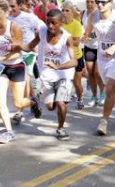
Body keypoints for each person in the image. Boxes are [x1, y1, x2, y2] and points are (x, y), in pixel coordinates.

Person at [82, 0, 115, 135]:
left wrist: (114, 47)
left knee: (108, 89)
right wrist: (85, 38)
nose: (99, 5)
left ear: (111, 2)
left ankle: (103, 122)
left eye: (103, 2)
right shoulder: (93, 16)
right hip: (102, 55)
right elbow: (88, 33)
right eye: (98, 2)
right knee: (107, 86)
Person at [26, 8, 78, 140]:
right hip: (47, 76)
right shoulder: (42, 32)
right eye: (48, 22)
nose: (50, 26)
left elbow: (74, 61)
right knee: (50, 107)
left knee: (61, 103)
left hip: (63, 75)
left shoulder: (67, 38)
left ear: (61, 23)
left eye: (53, 23)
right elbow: (29, 46)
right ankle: (36, 103)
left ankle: (61, 129)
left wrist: (58, 66)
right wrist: (15, 45)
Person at [0, 0, 24, 144]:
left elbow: (17, 53)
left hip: (16, 66)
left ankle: (33, 101)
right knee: (0, 100)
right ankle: (9, 131)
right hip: (1, 69)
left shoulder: (14, 28)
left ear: (6, 13)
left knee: (18, 102)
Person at [6, 0, 44, 123]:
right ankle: (33, 101)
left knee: (25, 79)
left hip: (28, 52)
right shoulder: (7, 18)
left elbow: (43, 29)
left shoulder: (29, 17)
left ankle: (19, 111)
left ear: (21, 6)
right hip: (15, 53)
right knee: (24, 80)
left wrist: (36, 44)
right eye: (8, 6)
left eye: (13, 6)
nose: (10, 9)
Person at [60, 0, 85, 108]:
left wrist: (63, 41)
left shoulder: (76, 24)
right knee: (64, 80)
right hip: (63, 57)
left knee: (77, 82)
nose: (64, 13)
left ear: (72, 12)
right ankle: (63, 99)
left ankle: (80, 98)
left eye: (67, 10)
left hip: (76, 57)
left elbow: (76, 42)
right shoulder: (59, 23)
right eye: (63, 10)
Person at [81, 0, 103, 107]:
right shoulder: (83, 13)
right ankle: (94, 96)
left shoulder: (100, 14)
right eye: (87, 1)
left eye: (92, 2)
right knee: (90, 73)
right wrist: (83, 36)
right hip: (89, 46)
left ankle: (103, 93)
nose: (89, 4)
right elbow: (82, 29)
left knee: (98, 73)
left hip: (99, 47)